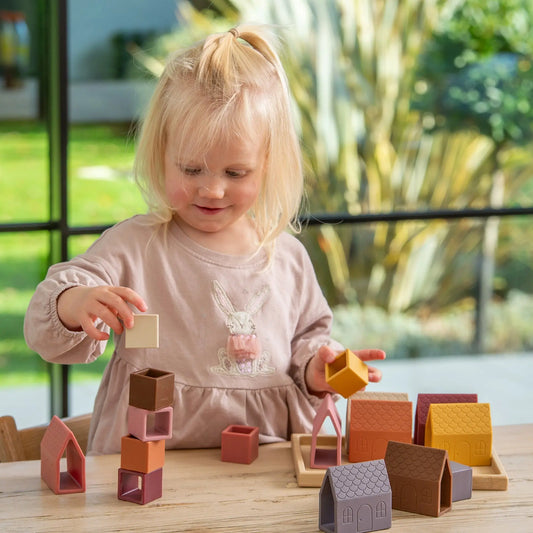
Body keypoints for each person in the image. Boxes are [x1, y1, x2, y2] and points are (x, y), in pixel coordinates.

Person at [24, 25, 385, 455]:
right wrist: (75, 304)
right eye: (192, 169)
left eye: (235, 173)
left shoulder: (285, 257)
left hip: (260, 477)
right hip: (147, 468)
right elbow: (44, 332)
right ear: (161, 154)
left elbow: (307, 341)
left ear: (268, 164)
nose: (212, 190)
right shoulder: (135, 246)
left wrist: (317, 372)